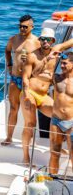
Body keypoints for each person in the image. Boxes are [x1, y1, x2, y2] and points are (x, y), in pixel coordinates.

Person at [20, 27, 58, 164]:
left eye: (48, 39)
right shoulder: (32, 56)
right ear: (40, 40)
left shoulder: (56, 54)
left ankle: (56, 148)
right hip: (30, 92)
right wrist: (26, 95)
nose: (45, 42)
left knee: (60, 118)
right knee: (30, 124)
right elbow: (25, 77)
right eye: (43, 39)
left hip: (43, 94)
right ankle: (25, 156)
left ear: (53, 41)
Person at [2, 14, 40, 145]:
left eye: (24, 27)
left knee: (29, 112)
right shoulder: (13, 39)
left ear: (31, 27)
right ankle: (9, 137)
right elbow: (7, 51)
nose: (22, 29)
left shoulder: (37, 42)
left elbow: (41, 60)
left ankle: (30, 141)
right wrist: (9, 64)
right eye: (20, 26)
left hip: (29, 81)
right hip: (15, 78)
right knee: (13, 108)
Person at [49, 53, 73, 175]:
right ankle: (51, 179)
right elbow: (36, 74)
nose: (62, 65)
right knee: (54, 153)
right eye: (61, 63)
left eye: (65, 63)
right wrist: (49, 60)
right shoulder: (56, 78)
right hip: (56, 121)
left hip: (72, 122)